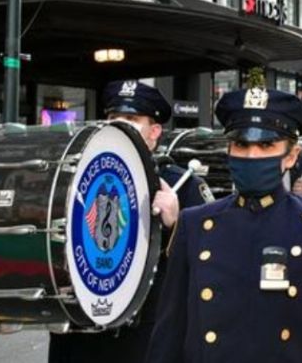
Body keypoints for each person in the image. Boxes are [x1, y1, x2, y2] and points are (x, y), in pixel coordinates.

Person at [145, 86, 302, 363]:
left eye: (265, 146)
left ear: (291, 156)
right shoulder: (196, 223)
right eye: (241, 145)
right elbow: (170, 331)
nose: (251, 156)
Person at [49, 80, 206, 363]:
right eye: (113, 118)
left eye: (132, 119)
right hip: (81, 327)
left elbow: (206, 263)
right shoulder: (74, 176)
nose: (120, 125)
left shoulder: (179, 184)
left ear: (154, 132)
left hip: (142, 331)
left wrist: (176, 223)